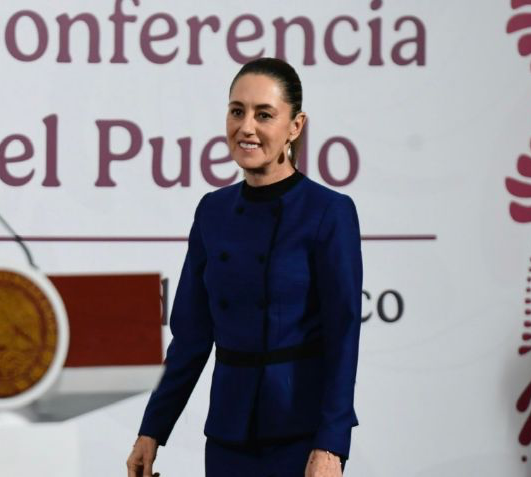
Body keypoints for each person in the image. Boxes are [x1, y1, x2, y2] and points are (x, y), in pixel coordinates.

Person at [126, 57, 362, 477]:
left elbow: (343, 334)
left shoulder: (329, 211)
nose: (246, 127)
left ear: (295, 126)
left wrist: (331, 443)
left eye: (264, 115)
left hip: (301, 435)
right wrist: (152, 430)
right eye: (237, 111)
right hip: (228, 434)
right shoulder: (212, 211)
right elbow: (191, 337)